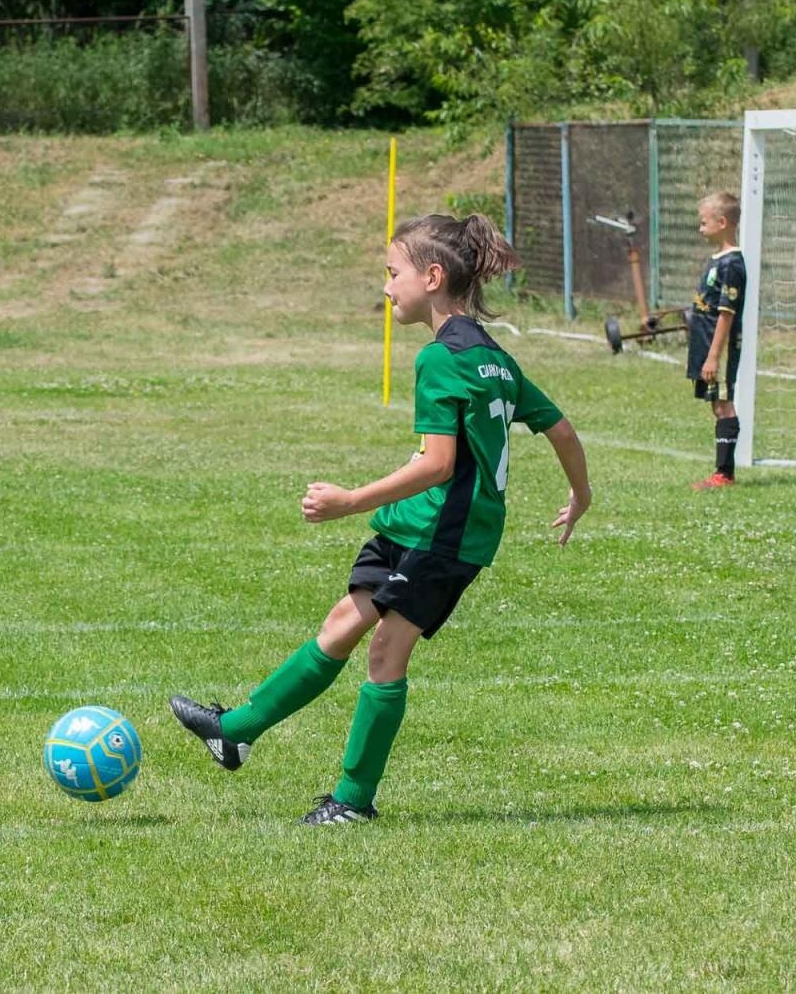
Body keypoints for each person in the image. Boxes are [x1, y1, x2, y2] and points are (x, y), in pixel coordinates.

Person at [170, 214, 591, 825]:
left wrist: (349, 500)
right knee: (343, 622)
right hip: (413, 526)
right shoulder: (493, 357)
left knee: (386, 655)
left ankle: (353, 800)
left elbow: (439, 465)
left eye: (393, 274)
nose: (388, 288)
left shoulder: (440, 360)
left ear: (433, 276)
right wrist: (580, 494)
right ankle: (234, 731)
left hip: (444, 537)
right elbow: (560, 428)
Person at [686, 191, 747, 490]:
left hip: (718, 348)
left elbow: (726, 314)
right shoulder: (717, 260)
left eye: (704, 222)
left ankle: (724, 474)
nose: (700, 228)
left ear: (722, 222)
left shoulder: (731, 264)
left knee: (723, 404)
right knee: (716, 404)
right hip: (706, 344)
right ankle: (723, 471)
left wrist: (713, 356)